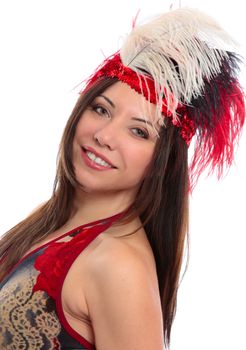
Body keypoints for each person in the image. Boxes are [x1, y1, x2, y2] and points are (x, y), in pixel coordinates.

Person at [0, 7, 245, 350]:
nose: (104, 135)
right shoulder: (53, 223)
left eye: (138, 131)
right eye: (101, 109)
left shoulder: (117, 262)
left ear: (162, 164)